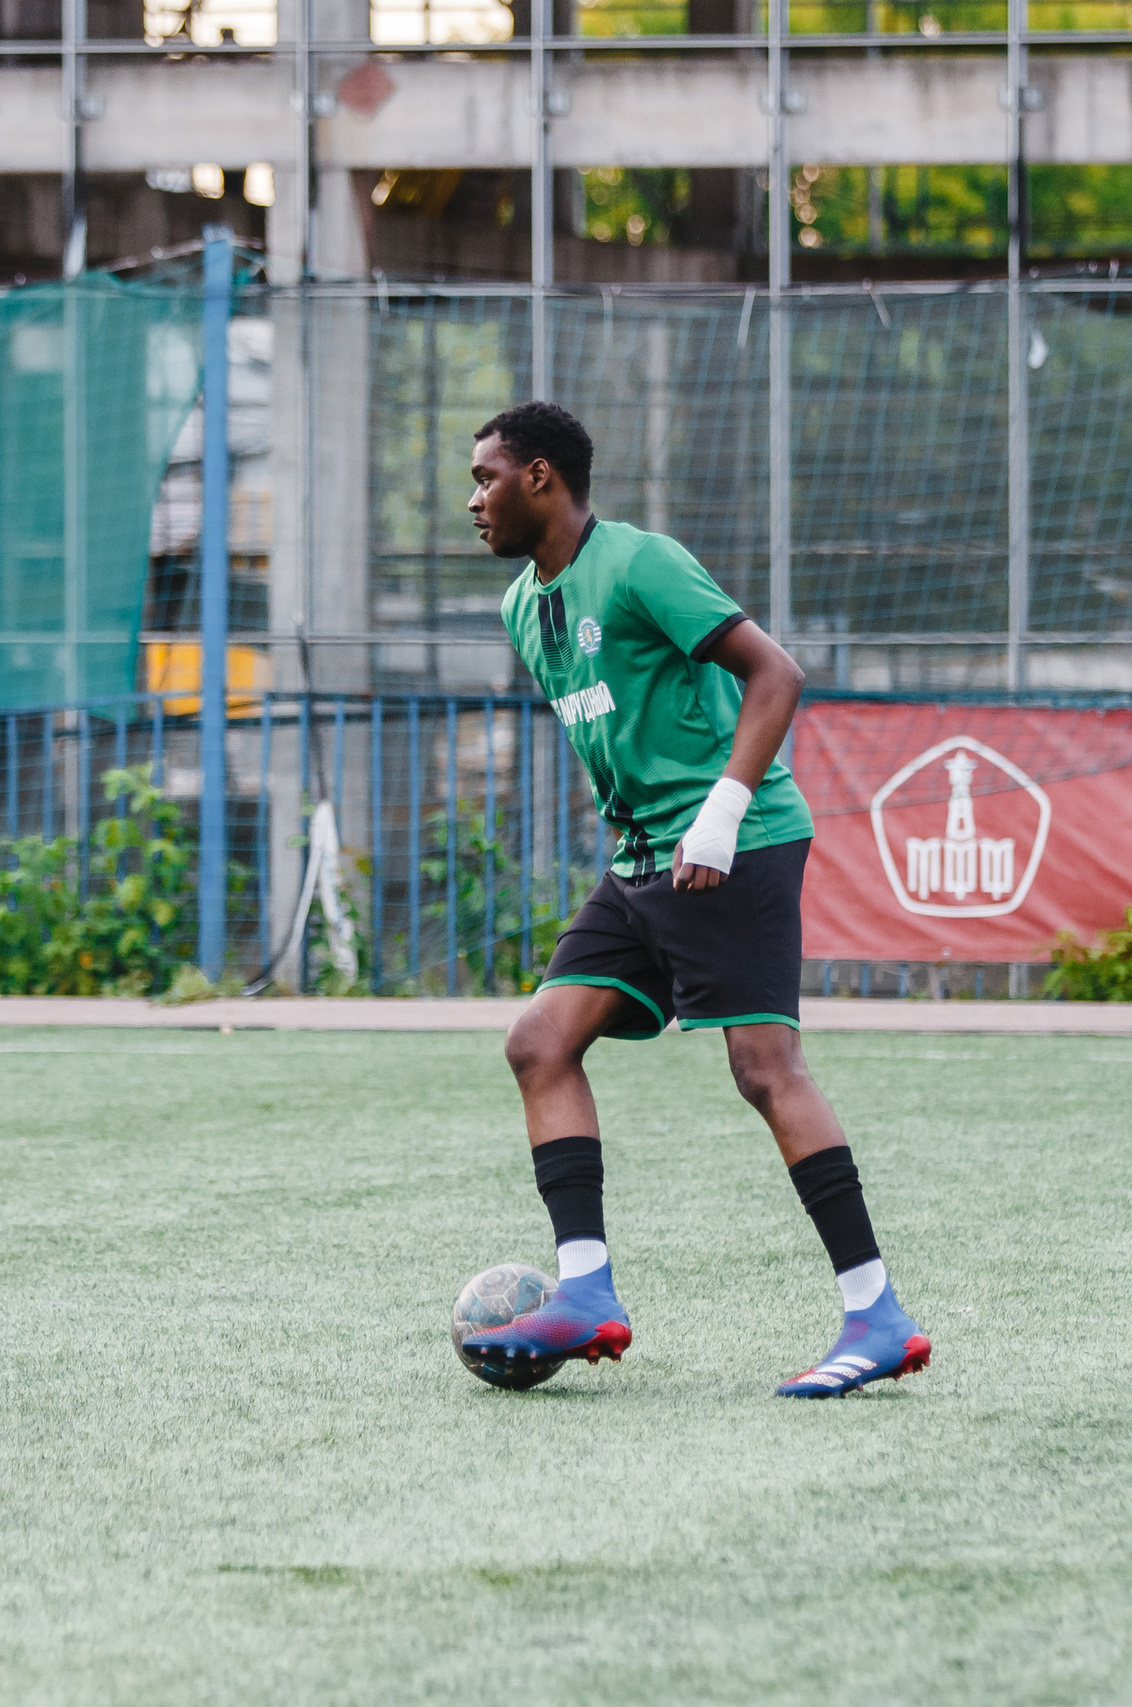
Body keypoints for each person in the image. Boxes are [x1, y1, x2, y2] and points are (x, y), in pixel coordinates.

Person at [458, 401, 930, 1399]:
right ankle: (585, 1292)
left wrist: (721, 811)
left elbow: (775, 674)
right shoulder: (522, 609)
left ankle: (878, 1316)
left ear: (540, 477)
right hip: (642, 863)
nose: (474, 500)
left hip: (734, 844)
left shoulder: (641, 564)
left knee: (764, 1069)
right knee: (539, 1042)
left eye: (486, 477)